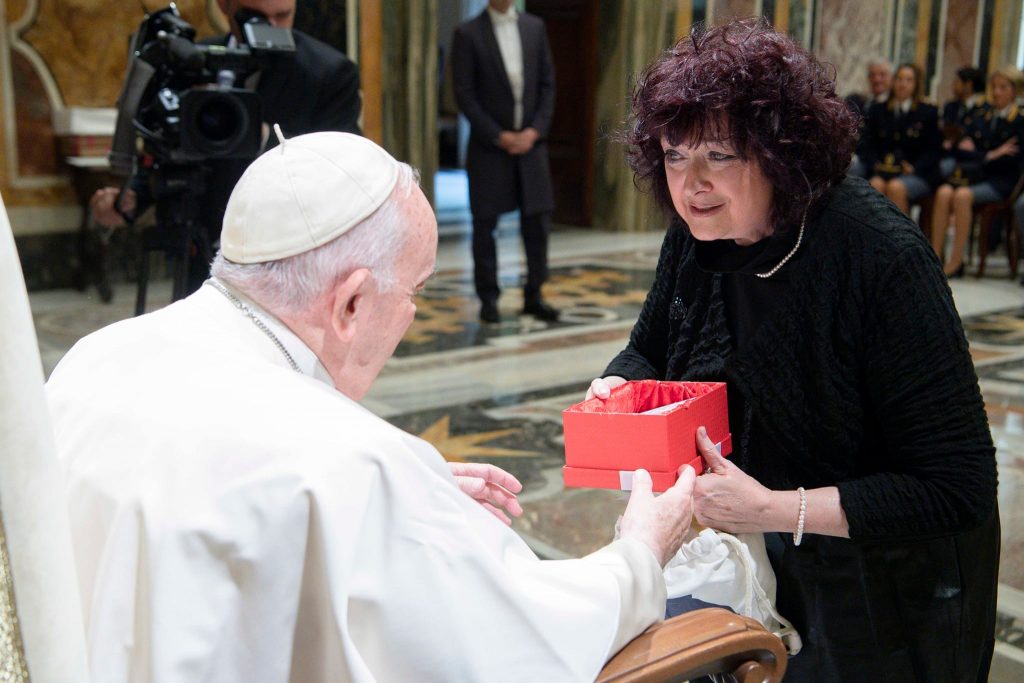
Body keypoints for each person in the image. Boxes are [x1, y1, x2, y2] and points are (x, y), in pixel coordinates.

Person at [47, 131, 698, 682]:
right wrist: (639, 550)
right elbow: (517, 643)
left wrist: (411, 493)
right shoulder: (353, 462)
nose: (413, 317)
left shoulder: (95, 356)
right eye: (413, 291)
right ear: (351, 303)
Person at [587, 19, 999, 681]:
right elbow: (650, 349)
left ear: (782, 152)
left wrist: (777, 508)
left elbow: (958, 487)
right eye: (672, 155)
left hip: (894, 587)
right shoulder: (696, 235)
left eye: (718, 155)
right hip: (776, 562)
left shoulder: (879, 259)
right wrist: (617, 386)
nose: (689, 184)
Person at [90, 0, 361, 293]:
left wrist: (265, 139)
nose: (270, 29)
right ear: (225, 7)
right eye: (255, 17)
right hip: (199, 246)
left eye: (282, 16)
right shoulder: (193, 60)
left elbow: (343, 167)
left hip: (287, 255)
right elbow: (169, 140)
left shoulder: (329, 72)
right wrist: (133, 197)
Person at [452, 0, 559, 324]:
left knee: (537, 224)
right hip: (489, 147)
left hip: (531, 145)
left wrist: (535, 130)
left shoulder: (534, 28)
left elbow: (547, 84)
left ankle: (534, 294)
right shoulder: (468, 33)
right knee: (485, 225)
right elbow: (464, 94)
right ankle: (488, 298)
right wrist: (498, 135)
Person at [931, 66, 1024, 277]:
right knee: (944, 192)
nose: (997, 92)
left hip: (1002, 182)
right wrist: (990, 155)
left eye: (1003, 87)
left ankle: (956, 261)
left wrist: (982, 155)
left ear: (1014, 90)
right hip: (976, 176)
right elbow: (960, 150)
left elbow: (1010, 162)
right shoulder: (983, 115)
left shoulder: (1019, 120)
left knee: (962, 195)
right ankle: (936, 256)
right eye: (994, 87)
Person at [861, 63, 941, 216]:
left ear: (916, 84)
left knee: (895, 187)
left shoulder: (927, 112)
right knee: (875, 184)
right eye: (899, 79)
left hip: (916, 172)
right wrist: (875, 163)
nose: (902, 84)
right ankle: (875, 236)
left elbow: (933, 151)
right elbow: (867, 144)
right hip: (884, 170)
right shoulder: (878, 110)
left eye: (908, 80)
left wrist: (914, 168)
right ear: (893, 81)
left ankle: (899, 237)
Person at [846, 58, 892, 178]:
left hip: (877, 161)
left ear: (891, 77)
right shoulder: (858, 101)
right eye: (873, 75)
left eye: (882, 75)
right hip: (853, 154)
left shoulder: (893, 107)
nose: (877, 79)